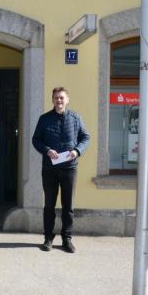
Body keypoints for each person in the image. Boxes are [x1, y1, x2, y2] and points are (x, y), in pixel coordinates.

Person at [31, 87, 90, 253]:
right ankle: (48, 238)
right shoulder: (44, 119)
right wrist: (47, 150)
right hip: (50, 169)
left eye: (62, 98)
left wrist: (77, 151)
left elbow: (86, 137)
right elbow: (36, 140)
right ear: (53, 100)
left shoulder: (76, 118)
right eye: (56, 98)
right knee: (49, 205)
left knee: (68, 206)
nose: (59, 101)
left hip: (70, 168)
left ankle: (67, 238)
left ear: (67, 100)